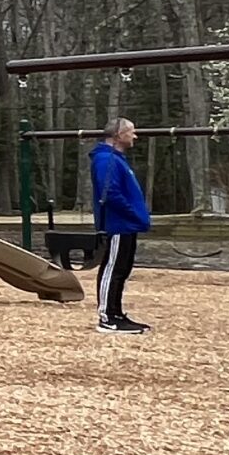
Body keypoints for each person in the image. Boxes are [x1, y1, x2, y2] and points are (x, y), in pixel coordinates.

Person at [89, 119, 152, 334]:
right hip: (118, 224)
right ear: (118, 135)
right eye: (131, 132)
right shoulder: (106, 160)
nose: (134, 137)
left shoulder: (116, 160)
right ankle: (107, 317)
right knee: (113, 269)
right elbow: (110, 194)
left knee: (122, 270)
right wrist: (132, 213)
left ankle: (116, 313)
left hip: (127, 225)